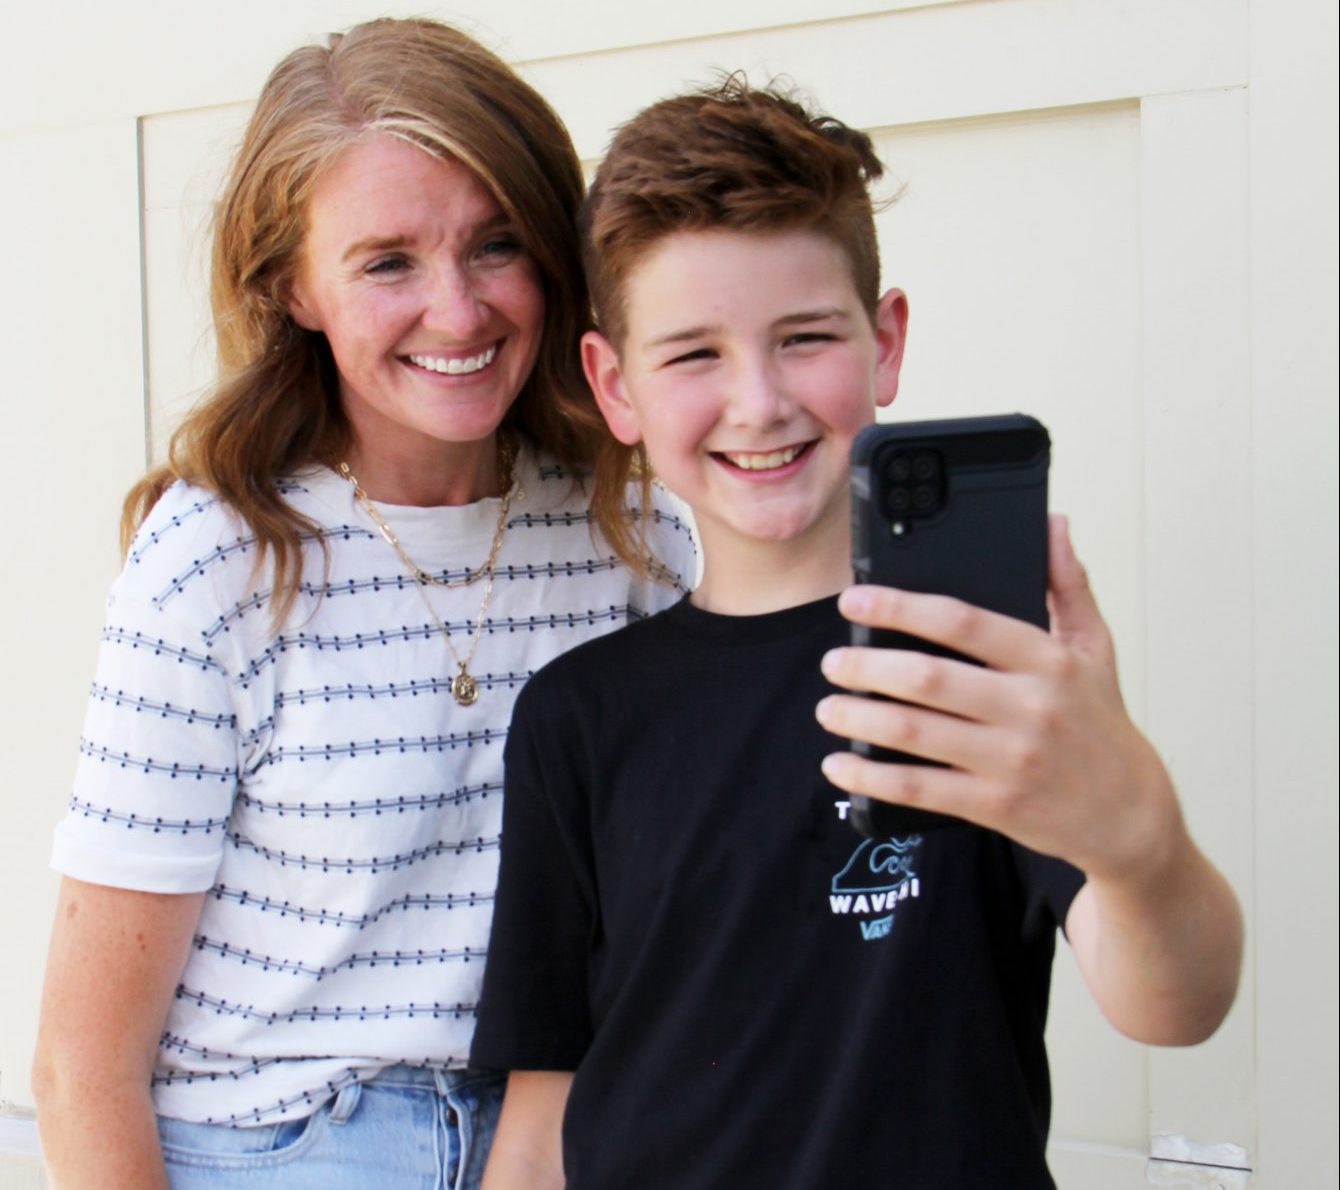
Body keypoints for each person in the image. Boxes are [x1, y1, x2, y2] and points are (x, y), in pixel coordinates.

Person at [470, 78, 1243, 1189]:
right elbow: (545, 1116)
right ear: (615, 384)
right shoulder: (576, 714)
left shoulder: (978, 670)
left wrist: (1138, 837)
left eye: (804, 338)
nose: (758, 400)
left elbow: (1176, 1002)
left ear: (883, 343)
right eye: (693, 354)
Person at [29, 18, 693, 1190]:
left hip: (568, 1130)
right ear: (292, 285)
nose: (458, 310)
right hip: (279, 1144)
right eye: (387, 261)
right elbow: (84, 1067)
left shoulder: (632, 535)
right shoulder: (214, 560)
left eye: (496, 246)